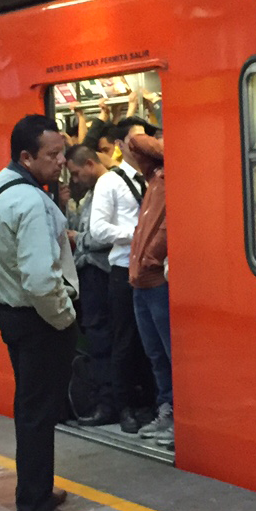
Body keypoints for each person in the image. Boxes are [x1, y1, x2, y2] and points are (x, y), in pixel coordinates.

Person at [0, 115, 89, 511]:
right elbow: (41, 279)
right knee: (39, 413)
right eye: (52, 155)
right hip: (40, 320)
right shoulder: (33, 204)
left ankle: (37, 489)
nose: (61, 162)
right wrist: (64, 315)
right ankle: (34, 508)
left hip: (9, 313)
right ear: (26, 156)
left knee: (30, 408)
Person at [88, 118, 156, 432]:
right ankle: (124, 405)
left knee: (150, 342)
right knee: (125, 340)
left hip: (152, 271)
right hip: (122, 270)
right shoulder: (110, 182)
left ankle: (150, 402)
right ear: (120, 145)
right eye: (135, 140)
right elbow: (97, 229)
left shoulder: (155, 178)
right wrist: (138, 234)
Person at [124, 131, 173, 447]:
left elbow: (137, 140)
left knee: (170, 354)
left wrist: (151, 260)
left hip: (156, 281)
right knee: (156, 355)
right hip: (141, 282)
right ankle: (167, 410)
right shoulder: (154, 180)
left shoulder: (173, 176)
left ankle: (180, 418)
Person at [65, 143, 117, 426]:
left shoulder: (108, 189)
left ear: (88, 164)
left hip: (101, 273)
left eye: (75, 174)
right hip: (92, 274)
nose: (75, 180)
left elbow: (105, 235)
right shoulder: (92, 194)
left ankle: (107, 402)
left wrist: (78, 239)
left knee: (101, 338)